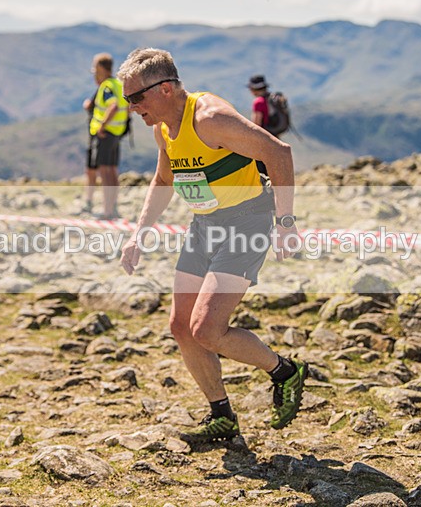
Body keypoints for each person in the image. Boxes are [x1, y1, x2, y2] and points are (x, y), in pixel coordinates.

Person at [117, 48, 308, 443]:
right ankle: (221, 414)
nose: (132, 108)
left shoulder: (210, 119)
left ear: (165, 89)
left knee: (207, 329)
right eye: (127, 100)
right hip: (205, 224)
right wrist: (139, 232)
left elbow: (279, 152)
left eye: (136, 98)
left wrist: (286, 221)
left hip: (246, 223)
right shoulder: (163, 128)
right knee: (181, 326)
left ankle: (285, 372)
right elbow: (165, 180)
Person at [84, 53, 129, 219]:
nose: (93, 71)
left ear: (101, 68)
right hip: (117, 133)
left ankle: (107, 211)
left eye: (95, 67)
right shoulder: (118, 84)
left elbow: (113, 106)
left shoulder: (107, 86)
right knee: (112, 171)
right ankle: (113, 208)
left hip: (106, 134)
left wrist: (102, 126)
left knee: (104, 171)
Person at [247, 74, 274, 177]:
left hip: (262, 140)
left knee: (261, 169)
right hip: (274, 136)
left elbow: (256, 125)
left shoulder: (258, 102)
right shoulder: (270, 98)